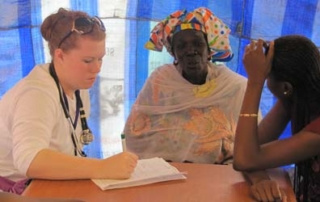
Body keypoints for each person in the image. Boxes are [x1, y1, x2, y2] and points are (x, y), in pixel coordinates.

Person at [0, 8, 138, 194]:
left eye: (100, 59)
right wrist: (103, 167)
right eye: (88, 61)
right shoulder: (36, 94)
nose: (97, 69)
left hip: (46, 184)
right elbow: (29, 160)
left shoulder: (78, 87)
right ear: (60, 55)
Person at [123, 7, 249, 164]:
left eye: (197, 43)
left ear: (209, 49)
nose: (190, 51)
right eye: (181, 46)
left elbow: (251, 138)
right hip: (167, 171)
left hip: (218, 173)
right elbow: (136, 132)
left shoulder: (233, 86)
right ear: (173, 53)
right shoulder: (161, 81)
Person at [233, 35, 320, 201]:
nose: (265, 82)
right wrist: (260, 179)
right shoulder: (298, 96)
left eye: (267, 77)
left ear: (286, 87)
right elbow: (247, 151)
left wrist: (254, 82)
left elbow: (244, 158)